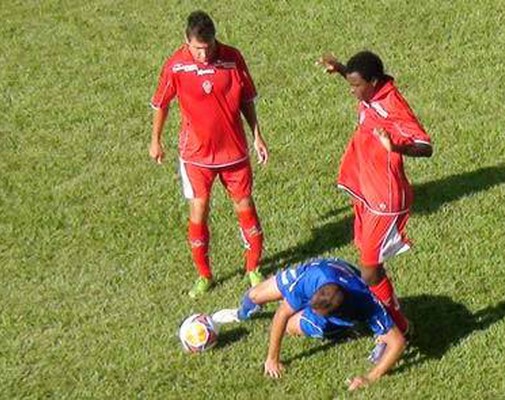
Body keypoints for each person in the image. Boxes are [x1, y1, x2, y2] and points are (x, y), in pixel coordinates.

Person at [149, 10, 269, 297]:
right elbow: (161, 103)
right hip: (195, 157)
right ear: (186, 41)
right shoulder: (176, 66)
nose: (204, 55)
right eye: (198, 49)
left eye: (209, 47)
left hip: (234, 154)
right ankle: (204, 275)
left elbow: (247, 99)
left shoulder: (232, 58)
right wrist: (155, 140)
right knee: (199, 212)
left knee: (245, 207)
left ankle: (253, 268)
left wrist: (257, 136)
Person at [316, 51, 433, 333]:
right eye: (350, 85)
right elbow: (358, 81)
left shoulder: (392, 105)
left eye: (357, 85)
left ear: (374, 81)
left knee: (369, 270)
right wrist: (341, 68)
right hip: (367, 192)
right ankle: (387, 316)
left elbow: (425, 146)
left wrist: (395, 147)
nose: (353, 91)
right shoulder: (370, 92)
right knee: (370, 264)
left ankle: (397, 328)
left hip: (386, 200)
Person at [212, 258, 408, 391]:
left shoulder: (366, 303)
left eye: (315, 310)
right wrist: (272, 359)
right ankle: (240, 314)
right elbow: (280, 313)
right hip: (316, 273)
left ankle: (342, 330)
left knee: (290, 326)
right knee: (255, 295)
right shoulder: (312, 278)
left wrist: (369, 378)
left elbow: (398, 342)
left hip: (341, 313)